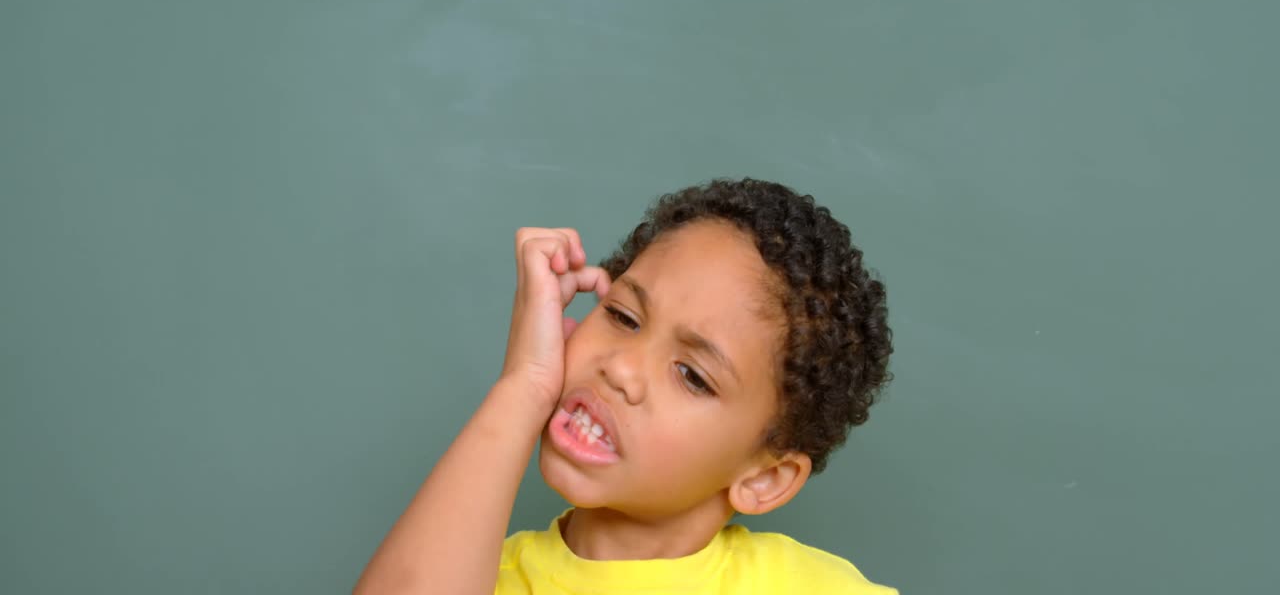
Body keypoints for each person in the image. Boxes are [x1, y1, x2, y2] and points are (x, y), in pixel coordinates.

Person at [355, 178, 896, 594]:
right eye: (623, 316)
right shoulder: (468, 573)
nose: (622, 369)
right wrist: (523, 387)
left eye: (692, 375)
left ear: (766, 478)